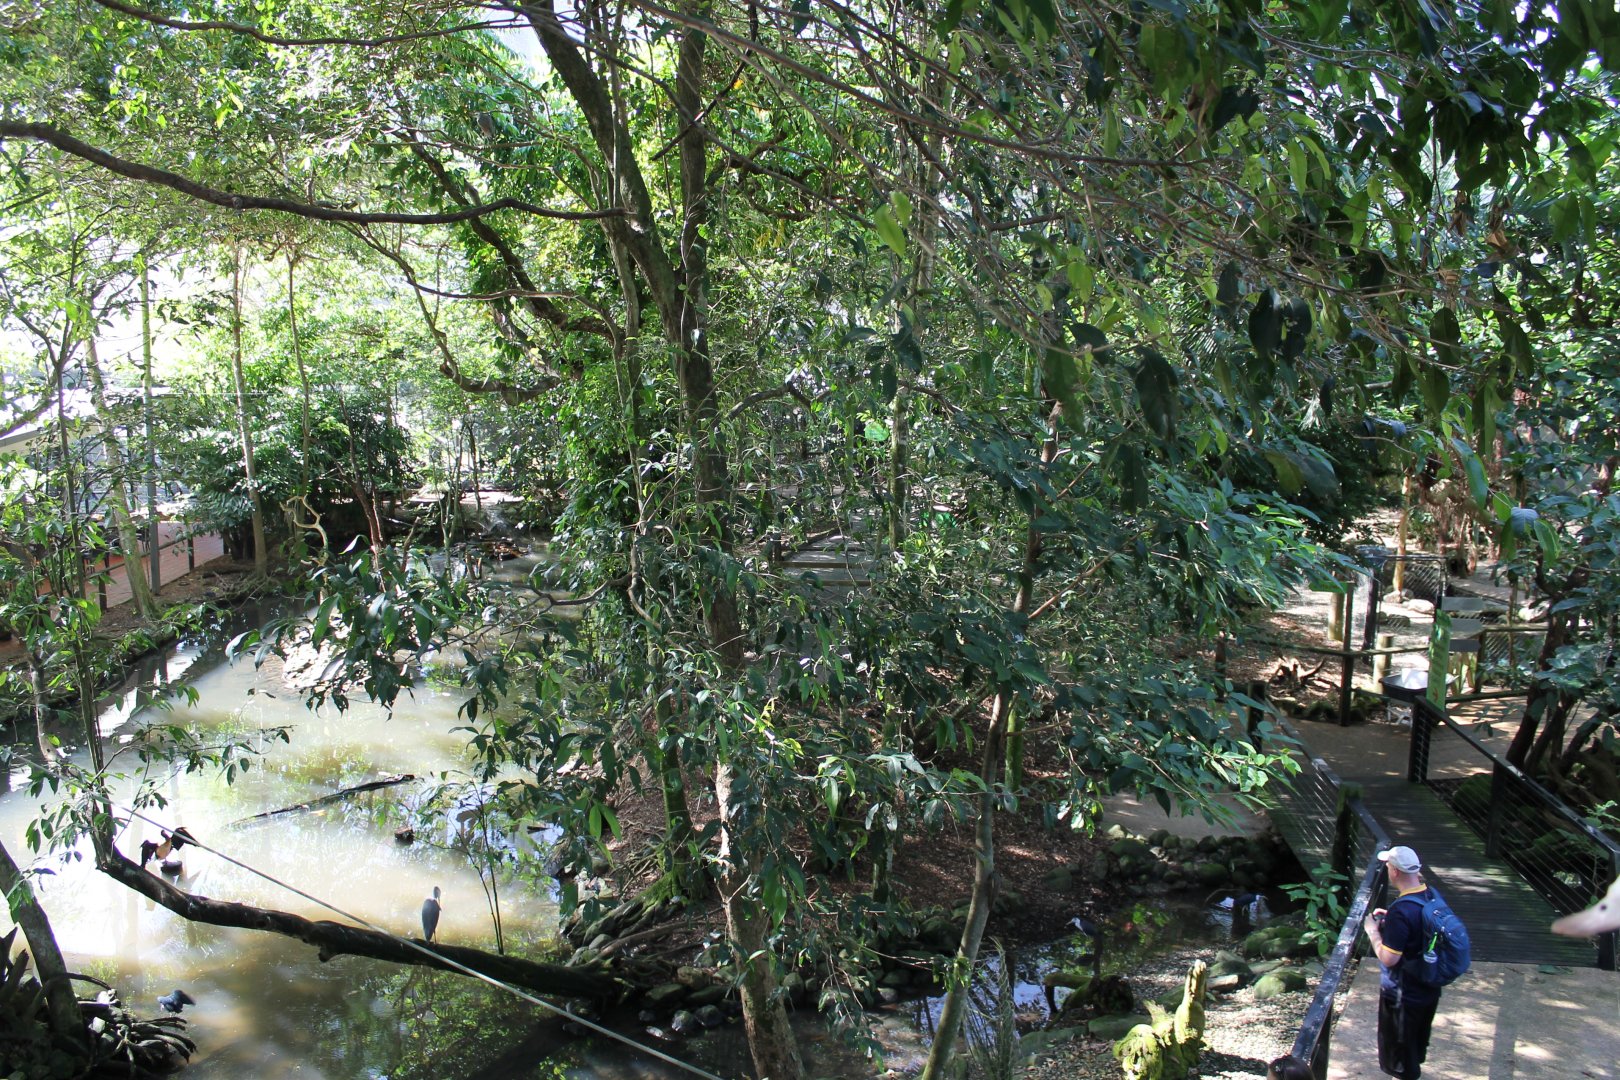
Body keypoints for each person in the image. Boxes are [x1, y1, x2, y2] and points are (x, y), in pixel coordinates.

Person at [1362, 845, 1443, 1080]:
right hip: (1428, 986)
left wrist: (1372, 932)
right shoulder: (1431, 895)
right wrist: (1391, 919)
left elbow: (1389, 957)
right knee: (1415, 1044)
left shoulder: (1402, 911)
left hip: (1402, 993)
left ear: (1395, 871)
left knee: (1400, 1056)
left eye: (1388, 866)